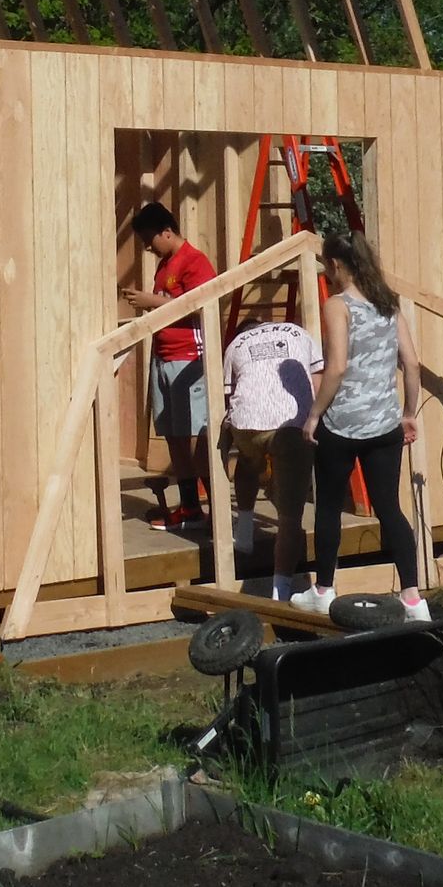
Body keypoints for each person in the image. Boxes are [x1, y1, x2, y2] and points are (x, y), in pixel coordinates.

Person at [293, 232, 431, 621]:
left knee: (330, 508)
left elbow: (335, 366)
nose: (326, 271)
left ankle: (323, 589)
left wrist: (315, 414)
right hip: (385, 424)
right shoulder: (388, 303)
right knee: (389, 508)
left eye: (325, 265)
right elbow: (413, 364)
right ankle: (413, 600)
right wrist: (409, 412)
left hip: (342, 424)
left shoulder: (338, 305)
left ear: (336, 265)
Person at [121, 201, 215, 528]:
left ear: (167, 231)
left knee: (197, 436)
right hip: (163, 357)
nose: (148, 246)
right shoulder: (165, 265)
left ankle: (213, 509)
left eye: (150, 238)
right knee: (174, 435)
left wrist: (151, 302)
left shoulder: (195, 261)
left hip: (189, 359)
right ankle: (190, 507)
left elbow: (201, 303)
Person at [221, 314, 324, 600]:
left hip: (249, 426)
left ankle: (243, 528)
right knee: (290, 518)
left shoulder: (235, 344)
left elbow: (231, 398)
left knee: (245, 454)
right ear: (264, 323)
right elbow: (318, 384)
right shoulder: (298, 332)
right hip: (294, 427)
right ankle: (281, 590)